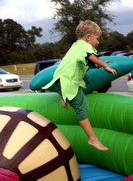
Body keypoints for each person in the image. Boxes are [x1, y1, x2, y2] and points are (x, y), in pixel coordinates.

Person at [42, 20, 117, 151]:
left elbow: (85, 61)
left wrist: (98, 64)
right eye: (97, 39)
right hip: (69, 82)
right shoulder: (85, 46)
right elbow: (90, 55)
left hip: (60, 79)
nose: (98, 42)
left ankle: (63, 97)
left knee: (86, 78)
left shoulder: (76, 46)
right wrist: (105, 65)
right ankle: (92, 139)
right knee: (81, 108)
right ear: (88, 37)